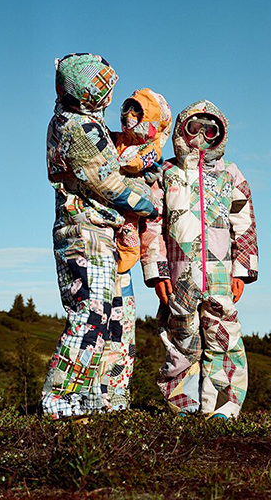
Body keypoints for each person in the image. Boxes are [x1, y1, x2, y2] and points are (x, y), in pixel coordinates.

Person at [43, 53, 157, 420]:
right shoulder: (82, 129)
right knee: (90, 313)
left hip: (92, 230)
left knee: (105, 316)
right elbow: (108, 183)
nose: (111, 95)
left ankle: (91, 399)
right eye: (103, 87)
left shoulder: (72, 121)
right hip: (85, 230)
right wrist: (148, 203)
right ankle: (61, 398)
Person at [143, 100, 258, 419]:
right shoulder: (166, 173)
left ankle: (223, 406)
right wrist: (157, 271)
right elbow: (152, 223)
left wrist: (243, 269)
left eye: (210, 129)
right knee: (182, 336)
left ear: (220, 134)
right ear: (182, 130)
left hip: (221, 275)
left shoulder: (231, 174)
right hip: (179, 275)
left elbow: (244, 223)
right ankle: (183, 400)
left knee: (224, 337)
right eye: (194, 128)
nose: (201, 136)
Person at [102, 88, 172, 411]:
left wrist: (155, 269)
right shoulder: (107, 144)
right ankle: (89, 393)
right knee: (93, 323)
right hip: (99, 246)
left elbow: (154, 225)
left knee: (123, 325)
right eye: (128, 109)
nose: (130, 118)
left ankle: (115, 398)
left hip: (125, 260)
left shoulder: (154, 168)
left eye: (138, 112)